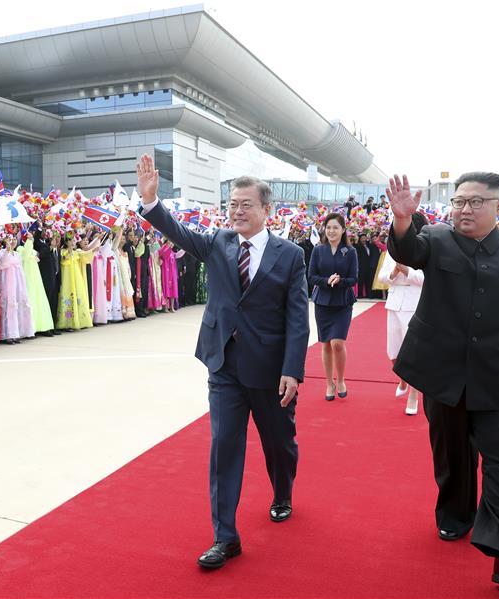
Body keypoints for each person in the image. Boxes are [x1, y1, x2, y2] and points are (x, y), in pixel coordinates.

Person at [387, 172, 499, 589]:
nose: (464, 209)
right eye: (459, 201)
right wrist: (402, 220)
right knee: (453, 453)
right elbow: (408, 250)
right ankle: (455, 514)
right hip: (443, 372)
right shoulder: (436, 238)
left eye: (475, 202)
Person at [137, 154, 309, 570]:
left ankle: (282, 491)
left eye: (246, 205)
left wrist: (292, 370)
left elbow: (297, 317)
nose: (237, 211)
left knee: (279, 443)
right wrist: (151, 202)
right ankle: (225, 537)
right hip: (224, 365)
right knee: (225, 448)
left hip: (269, 370)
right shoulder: (217, 242)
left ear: (267, 209)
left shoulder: (289, 255)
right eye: (232, 204)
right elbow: (177, 231)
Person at [377, 212, 427, 414]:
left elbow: (426, 279)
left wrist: (407, 271)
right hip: (394, 302)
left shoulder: (426, 248)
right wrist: (393, 273)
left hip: (415, 304)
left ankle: (413, 395)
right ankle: (403, 379)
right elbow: (382, 277)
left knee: (414, 352)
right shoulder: (392, 249)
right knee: (394, 353)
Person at [308, 213, 358, 401]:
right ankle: (329, 383)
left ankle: (341, 379)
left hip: (343, 302)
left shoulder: (350, 251)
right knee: (326, 343)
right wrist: (326, 281)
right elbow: (311, 276)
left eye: (335, 227)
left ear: (343, 230)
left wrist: (340, 281)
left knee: (338, 342)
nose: (331, 231)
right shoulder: (318, 250)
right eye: (328, 227)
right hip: (322, 302)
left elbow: (354, 278)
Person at [0, 234, 35, 344]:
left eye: (14, 239)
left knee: (19, 305)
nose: (13, 241)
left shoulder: (17, 254)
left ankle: (17, 333)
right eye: (10, 239)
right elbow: (1, 265)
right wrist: (7, 251)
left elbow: (20, 269)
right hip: (7, 284)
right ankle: (7, 334)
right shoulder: (2, 252)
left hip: (17, 283)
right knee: (8, 306)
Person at [18, 233, 54, 335]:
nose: (31, 240)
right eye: (29, 238)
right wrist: (30, 241)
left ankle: (42, 326)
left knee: (39, 301)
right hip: (27, 278)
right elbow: (25, 255)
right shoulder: (20, 249)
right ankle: (30, 328)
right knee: (31, 300)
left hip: (36, 279)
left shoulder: (33, 251)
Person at [34, 226, 62, 334]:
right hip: (47, 280)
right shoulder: (43, 246)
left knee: (54, 304)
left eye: (58, 237)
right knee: (48, 303)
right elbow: (41, 253)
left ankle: (53, 326)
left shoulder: (57, 250)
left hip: (55, 280)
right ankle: (47, 328)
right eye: (55, 238)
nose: (57, 240)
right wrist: (39, 227)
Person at [355, 233, 376, 299]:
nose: (364, 239)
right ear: (360, 239)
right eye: (362, 238)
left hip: (368, 266)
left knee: (368, 281)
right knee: (361, 281)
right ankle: (360, 295)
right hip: (361, 266)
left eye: (365, 238)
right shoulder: (357, 246)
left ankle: (369, 294)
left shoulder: (369, 246)